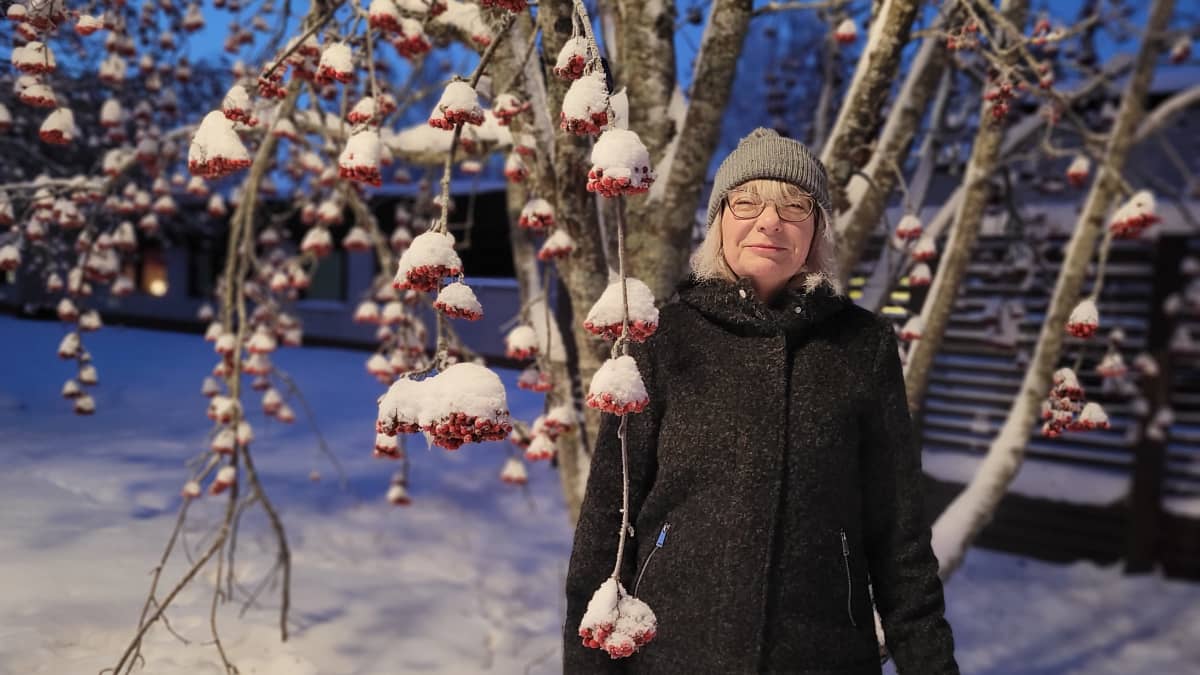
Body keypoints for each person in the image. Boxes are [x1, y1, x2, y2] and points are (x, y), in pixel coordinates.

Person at [563, 128, 958, 674]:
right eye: (746, 203)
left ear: (817, 229)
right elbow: (608, 522)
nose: (769, 221)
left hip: (823, 653)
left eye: (794, 206)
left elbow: (899, 533)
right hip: (672, 649)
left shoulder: (862, 346)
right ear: (719, 221)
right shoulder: (659, 338)